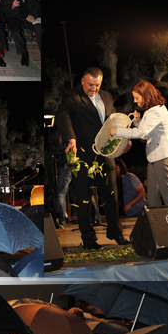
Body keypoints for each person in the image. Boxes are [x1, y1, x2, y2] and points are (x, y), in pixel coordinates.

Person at [56, 67, 127, 250]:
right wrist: (70, 137)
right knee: (84, 198)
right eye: (90, 85)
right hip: (83, 154)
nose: (93, 88)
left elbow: (112, 121)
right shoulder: (72, 97)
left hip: (105, 154)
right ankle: (88, 239)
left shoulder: (107, 96)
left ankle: (116, 233)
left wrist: (123, 139)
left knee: (112, 194)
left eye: (97, 85)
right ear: (82, 81)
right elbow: (62, 115)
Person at [110, 81, 168, 208]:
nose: (135, 101)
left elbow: (141, 133)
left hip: (163, 157)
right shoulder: (152, 110)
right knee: (152, 197)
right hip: (155, 157)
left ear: (146, 95)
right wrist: (138, 122)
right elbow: (147, 134)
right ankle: (157, 226)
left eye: (137, 97)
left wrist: (117, 131)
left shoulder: (155, 111)